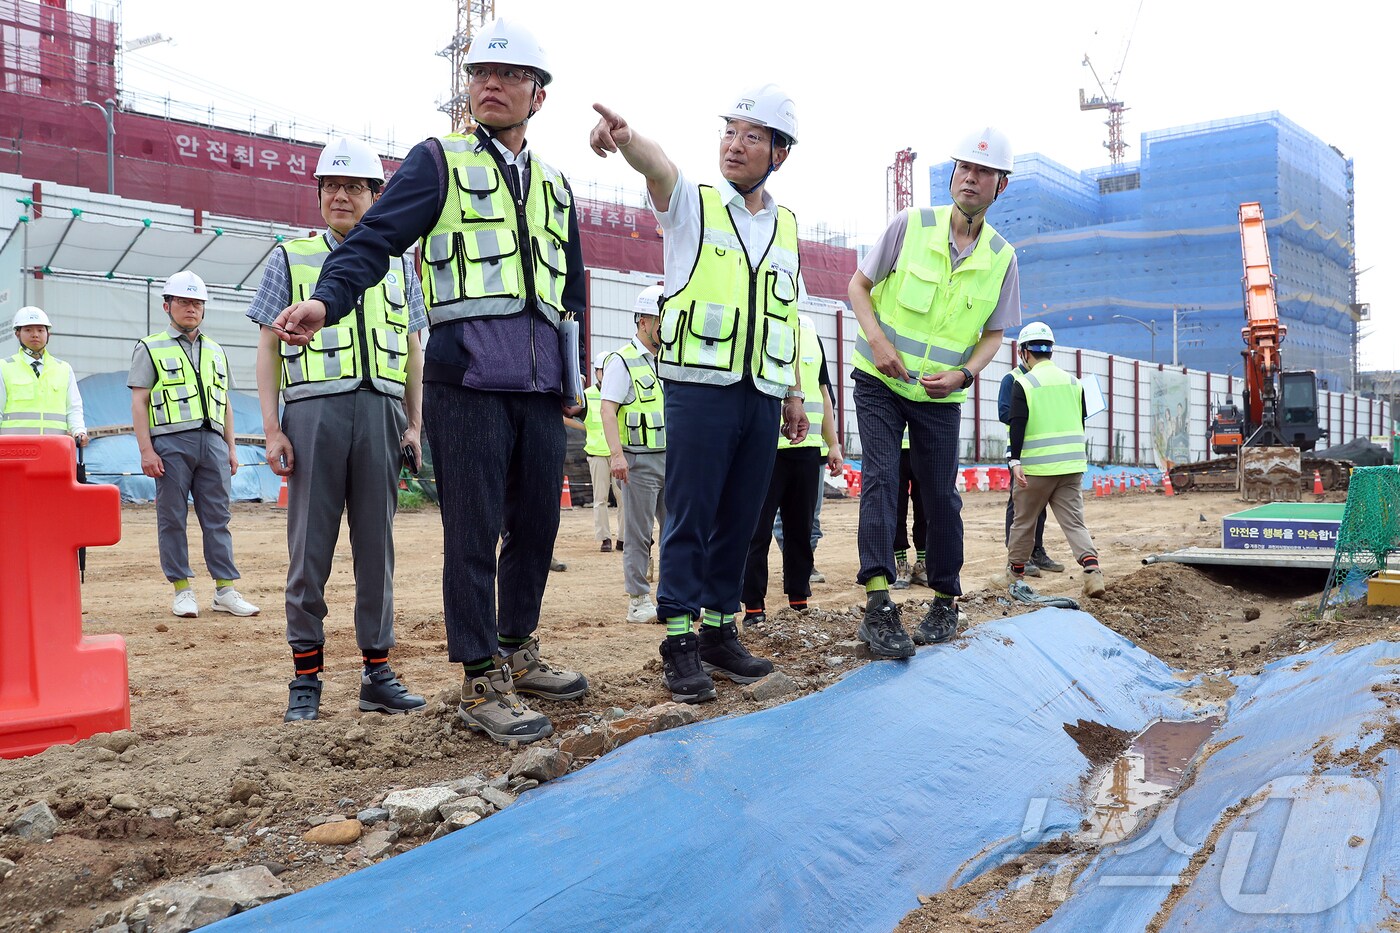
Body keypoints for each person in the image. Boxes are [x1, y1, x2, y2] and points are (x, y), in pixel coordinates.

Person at [272, 18, 587, 746]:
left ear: (539, 96)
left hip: (539, 387)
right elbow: (376, 240)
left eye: (508, 76)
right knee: (473, 529)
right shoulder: (436, 162)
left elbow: (572, 286)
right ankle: (480, 676)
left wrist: (571, 377)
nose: (490, 85)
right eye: (479, 74)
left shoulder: (555, 184)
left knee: (538, 524)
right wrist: (327, 299)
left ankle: (517, 646)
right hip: (466, 378)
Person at [590, 85, 808, 703]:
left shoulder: (787, 227)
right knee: (690, 516)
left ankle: (719, 630)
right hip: (700, 390)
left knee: (741, 520)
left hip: (762, 393)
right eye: (730, 132)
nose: (735, 145)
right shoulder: (694, 206)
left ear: (779, 154)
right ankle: (680, 640)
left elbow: (785, 317)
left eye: (753, 136)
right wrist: (628, 139)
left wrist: (792, 393)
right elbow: (658, 166)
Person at [248, 137, 427, 723]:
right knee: (309, 552)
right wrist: (272, 427)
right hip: (312, 416)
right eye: (330, 187)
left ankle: (377, 672)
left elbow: (412, 349)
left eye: (353, 187)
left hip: (379, 413)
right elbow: (267, 349)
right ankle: (307, 679)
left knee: (377, 550)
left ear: (378, 197)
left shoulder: (401, 264)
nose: (340, 196)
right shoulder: (290, 257)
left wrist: (415, 423)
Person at [848, 127, 1021, 658]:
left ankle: (945, 598)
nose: (971, 177)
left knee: (940, 494)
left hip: (941, 396)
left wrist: (964, 376)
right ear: (953, 174)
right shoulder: (910, 225)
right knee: (880, 479)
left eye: (983, 171)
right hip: (880, 381)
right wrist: (877, 342)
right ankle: (878, 606)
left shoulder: (1002, 257)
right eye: (964, 167)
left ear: (1001, 185)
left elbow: (995, 333)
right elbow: (859, 287)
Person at [129, 270, 259, 619]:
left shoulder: (216, 350)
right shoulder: (149, 347)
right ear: (167, 305)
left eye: (198, 303)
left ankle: (224, 590)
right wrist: (146, 450)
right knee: (171, 517)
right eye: (185, 302)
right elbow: (139, 401)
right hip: (170, 443)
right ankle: (182, 590)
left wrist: (231, 449)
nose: (192, 308)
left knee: (218, 517)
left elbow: (225, 402)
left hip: (213, 443)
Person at [742, 313, 841, 625]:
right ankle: (753, 607)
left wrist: (833, 444)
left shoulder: (811, 332)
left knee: (801, 528)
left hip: (807, 449)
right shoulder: (761, 326)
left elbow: (824, 393)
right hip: (766, 448)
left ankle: (799, 599)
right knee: (756, 530)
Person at [1005, 324, 1105, 598]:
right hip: (1072, 466)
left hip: (1036, 468)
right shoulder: (1074, 383)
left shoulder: (1024, 383)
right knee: (1074, 522)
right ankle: (1092, 572)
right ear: (1050, 350)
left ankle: (1014, 574)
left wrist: (1015, 461)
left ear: (1024, 352)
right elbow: (1080, 419)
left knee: (1024, 521)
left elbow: (1017, 424)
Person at [600, 284, 666, 625]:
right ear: (643, 321)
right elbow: (607, 409)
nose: (666, 327)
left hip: (672, 457)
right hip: (638, 461)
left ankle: (672, 595)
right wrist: (616, 456)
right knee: (639, 533)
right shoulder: (622, 360)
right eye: (661, 319)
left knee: (675, 529)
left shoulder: (668, 361)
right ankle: (638, 599)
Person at [997, 338, 1063, 577]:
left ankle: (1037, 551)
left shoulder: (1047, 381)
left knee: (1040, 504)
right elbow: (1004, 413)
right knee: (1019, 504)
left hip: (1042, 451)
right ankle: (1015, 556)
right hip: (1019, 452)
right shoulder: (1012, 379)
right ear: (1022, 352)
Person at [1, 307, 87, 447]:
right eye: (28, 330)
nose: (35, 335)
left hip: (54, 449)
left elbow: (73, 408)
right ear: (17, 334)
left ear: (48, 334)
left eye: (40, 330)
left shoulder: (64, 369)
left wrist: (79, 431)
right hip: (15, 451)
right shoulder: (4, 367)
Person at [582, 352, 623, 552]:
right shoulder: (587, 394)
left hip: (617, 453)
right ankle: (605, 538)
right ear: (596, 372)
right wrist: (587, 429)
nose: (605, 375)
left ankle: (623, 538)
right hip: (597, 453)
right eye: (602, 371)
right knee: (600, 499)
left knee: (623, 498)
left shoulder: (619, 393)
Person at [890, 429, 928, 590]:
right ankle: (902, 566)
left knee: (923, 508)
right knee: (897, 509)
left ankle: (922, 565)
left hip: (922, 447)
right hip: (895, 449)